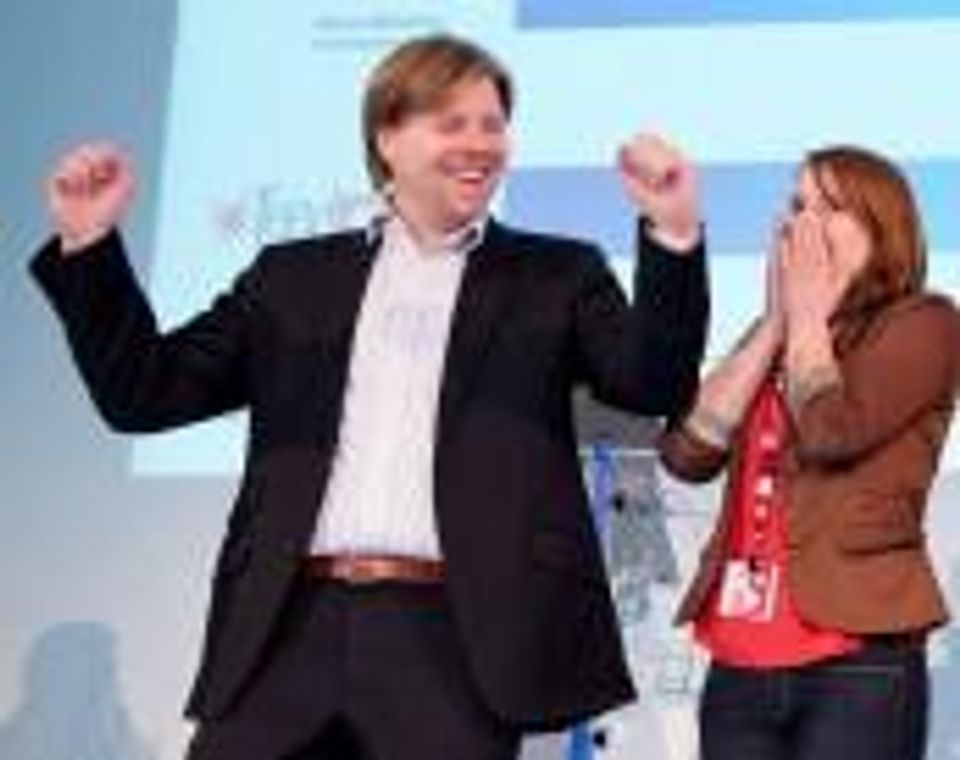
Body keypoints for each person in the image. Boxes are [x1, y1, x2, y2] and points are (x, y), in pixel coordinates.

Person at [31, 34, 709, 760]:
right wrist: (89, 245)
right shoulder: (293, 278)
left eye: (493, 124)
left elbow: (651, 384)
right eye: (452, 123)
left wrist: (672, 233)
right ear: (388, 137)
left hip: (455, 635)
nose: (481, 144)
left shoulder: (555, 275)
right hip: (286, 629)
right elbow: (145, 393)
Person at [660, 145, 960, 760]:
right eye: (798, 205)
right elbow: (688, 455)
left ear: (882, 228)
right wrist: (774, 323)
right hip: (741, 659)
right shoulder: (781, 332)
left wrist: (804, 321)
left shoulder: (923, 322)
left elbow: (830, 431)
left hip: (855, 663)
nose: (806, 222)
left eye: (831, 207)